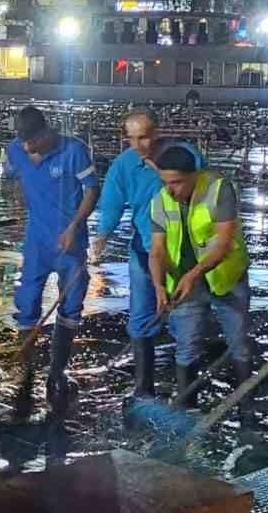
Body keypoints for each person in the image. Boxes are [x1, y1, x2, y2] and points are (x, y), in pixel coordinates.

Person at [89, 109, 203, 404]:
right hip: (145, 249)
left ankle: (187, 397)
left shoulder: (184, 155)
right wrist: (102, 236)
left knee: (185, 321)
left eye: (146, 136)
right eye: (133, 139)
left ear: (158, 131)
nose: (140, 145)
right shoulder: (123, 165)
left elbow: (203, 190)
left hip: (183, 253)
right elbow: (112, 202)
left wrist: (159, 171)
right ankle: (143, 390)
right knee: (142, 317)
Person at [5, 106, 99, 419]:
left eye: (32, 142)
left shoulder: (74, 151)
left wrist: (74, 226)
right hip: (36, 241)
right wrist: (23, 209)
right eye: (23, 143)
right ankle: (26, 373)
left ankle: (57, 372)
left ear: (46, 133)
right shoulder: (16, 150)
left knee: (70, 304)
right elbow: (15, 179)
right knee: (27, 300)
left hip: (69, 243)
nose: (28, 148)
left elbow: (92, 189)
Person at [147, 145, 253, 417]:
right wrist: (159, 285)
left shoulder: (218, 190)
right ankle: (187, 409)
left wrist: (194, 274)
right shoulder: (160, 200)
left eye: (177, 183)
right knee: (186, 347)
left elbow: (224, 243)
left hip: (226, 279)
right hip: (184, 284)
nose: (171, 190)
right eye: (165, 182)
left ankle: (246, 407)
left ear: (194, 175)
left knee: (238, 342)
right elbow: (157, 250)